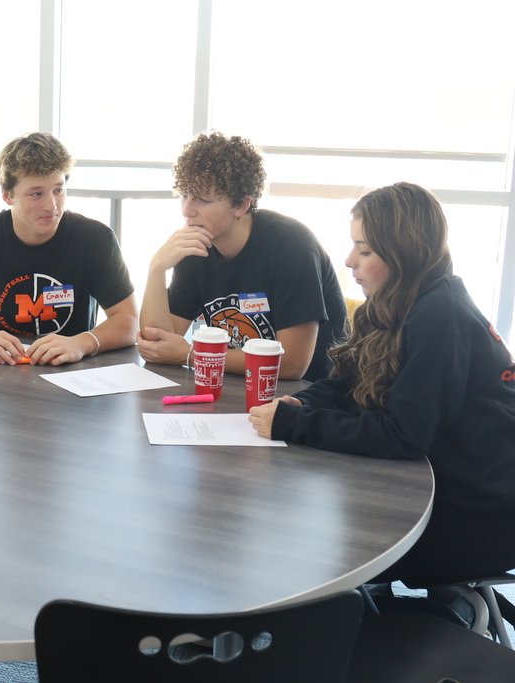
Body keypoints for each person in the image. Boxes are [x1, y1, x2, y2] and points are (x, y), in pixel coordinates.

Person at [249, 181, 515, 585]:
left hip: (479, 516)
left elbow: (401, 435)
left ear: (403, 255)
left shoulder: (440, 318)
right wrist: (304, 404)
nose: (349, 260)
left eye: (365, 250)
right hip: (447, 483)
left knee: (308, 544)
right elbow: (347, 381)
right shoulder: (400, 300)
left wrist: (293, 426)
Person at [138, 132, 347, 382]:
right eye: (184, 195)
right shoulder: (196, 244)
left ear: (241, 205)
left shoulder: (292, 247)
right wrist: (157, 269)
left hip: (304, 399)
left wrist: (195, 355)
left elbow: (292, 364)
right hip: (234, 386)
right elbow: (156, 346)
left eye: (203, 200)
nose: (186, 210)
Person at [0, 132, 137, 365]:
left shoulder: (96, 238)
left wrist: (82, 343)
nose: (51, 206)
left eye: (58, 190)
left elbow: (128, 320)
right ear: (7, 195)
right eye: (37, 194)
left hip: (70, 370)